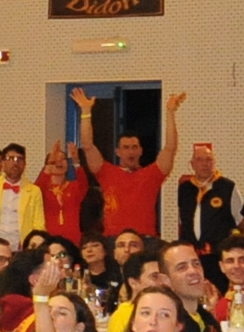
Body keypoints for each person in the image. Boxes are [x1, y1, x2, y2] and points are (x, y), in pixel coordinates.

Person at [72, 88, 183, 239]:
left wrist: (170, 112)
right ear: (118, 151)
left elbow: (170, 148)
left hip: (144, 240)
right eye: (126, 147)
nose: (131, 152)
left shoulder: (152, 175)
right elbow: (87, 145)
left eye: (134, 147)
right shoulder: (106, 172)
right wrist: (86, 112)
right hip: (113, 240)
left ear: (140, 150)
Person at [179, 144, 239, 257]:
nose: (205, 164)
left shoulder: (227, 187)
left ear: (214, 163)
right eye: (199, 160)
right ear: (192, 164)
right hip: (192, 253)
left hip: (219, 254)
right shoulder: (185, 188)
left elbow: (241, 220)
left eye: (208, 159)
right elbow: (183, 221)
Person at [32, 140, 88, 243]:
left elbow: (84, 184)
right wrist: (49, 167)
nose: (59, 162)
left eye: (63, 159)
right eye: (55, 160)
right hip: (49, 240)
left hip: (72, 240)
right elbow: (35, 192)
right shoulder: (42, 188)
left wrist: (76, 161)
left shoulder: (74, 187)